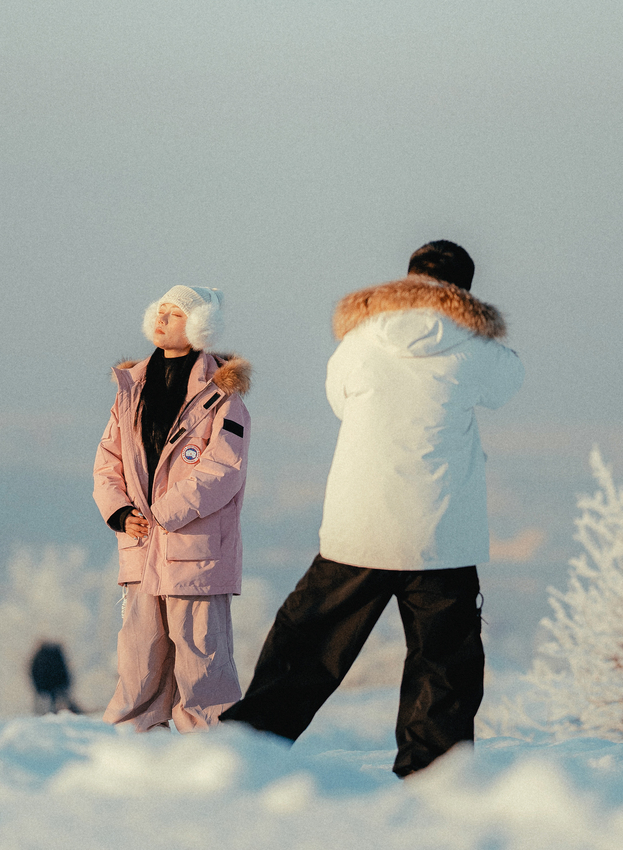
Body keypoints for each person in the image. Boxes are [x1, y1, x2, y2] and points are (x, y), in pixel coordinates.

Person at [221, 241, 524, 776]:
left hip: (359, 525)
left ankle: (247, 745)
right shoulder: (475, 348)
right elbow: (508, 384)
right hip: (440, 533)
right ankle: (435, 774)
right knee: (443, 660)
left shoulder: (359, 340)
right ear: (463, 290)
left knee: (308, 641)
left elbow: (341, 403)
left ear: (407, 278)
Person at [93, 285, 251, 733]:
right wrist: (119, 512)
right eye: (160, 311)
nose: (162, 319)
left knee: (203, 661)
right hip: (141, 545)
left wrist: (166, 511)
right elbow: (108, 461)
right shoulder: (130, 389)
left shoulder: (223, 395)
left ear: (201, 326)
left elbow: (225, 468)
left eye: (175, 314)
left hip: (196, 551)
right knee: (139, 657)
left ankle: (214, 747)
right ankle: (132, 742)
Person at [30, 641, 82, 715]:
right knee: (55, 701)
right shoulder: (53, 656)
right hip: (49, 685)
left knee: (52, 701)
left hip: (49, 685)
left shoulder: (43, 657)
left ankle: (50, 713)